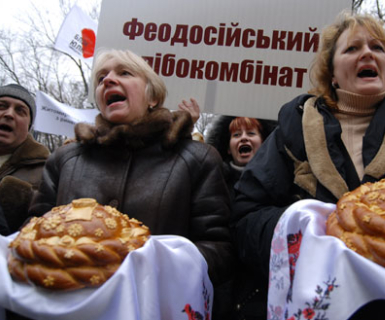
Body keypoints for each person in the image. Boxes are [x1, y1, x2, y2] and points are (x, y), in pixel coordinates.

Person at [231, 11, 385, 319]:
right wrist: (314, 234)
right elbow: (245, 219)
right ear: (331, 73)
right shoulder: (290, 137)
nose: (367, 53)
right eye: (352, 49)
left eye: (377, 48)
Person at [28, 49, 234, 318]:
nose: (108, 81)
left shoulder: (197, 159)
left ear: (153, 97)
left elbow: (219, 248)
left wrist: (152, 264)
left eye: (124, 73)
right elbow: (31, 234)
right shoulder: (65, 160)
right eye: (101, 78)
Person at [206, 115, 276, 319]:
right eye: (237, 135)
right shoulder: (212, 184)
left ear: (264, 143)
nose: (244, 139)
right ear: (228, 148)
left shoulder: (281, 186)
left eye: (251, 133)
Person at [0, 84, 49, 233]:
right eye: (2, 106)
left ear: (28, 127)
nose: (9, 114)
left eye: (20, 111)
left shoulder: (48, 172)